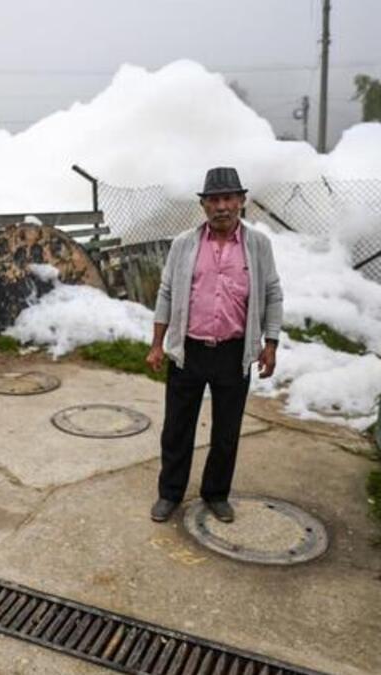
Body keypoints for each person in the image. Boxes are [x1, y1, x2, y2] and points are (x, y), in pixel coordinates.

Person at [145, 167, 283, 524]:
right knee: (177, 427)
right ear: (204, 205)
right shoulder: (183, 245)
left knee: (226, 431)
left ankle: (216, 494)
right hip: (188, 351)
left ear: (241, 201)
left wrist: (270, 343)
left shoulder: (258, 246)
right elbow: (166, 292)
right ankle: (170, 494)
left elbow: (272, 293)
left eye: (228, 199)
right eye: (214, 200)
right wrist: (158, 344)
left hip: (233, 353)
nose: (222, 206)